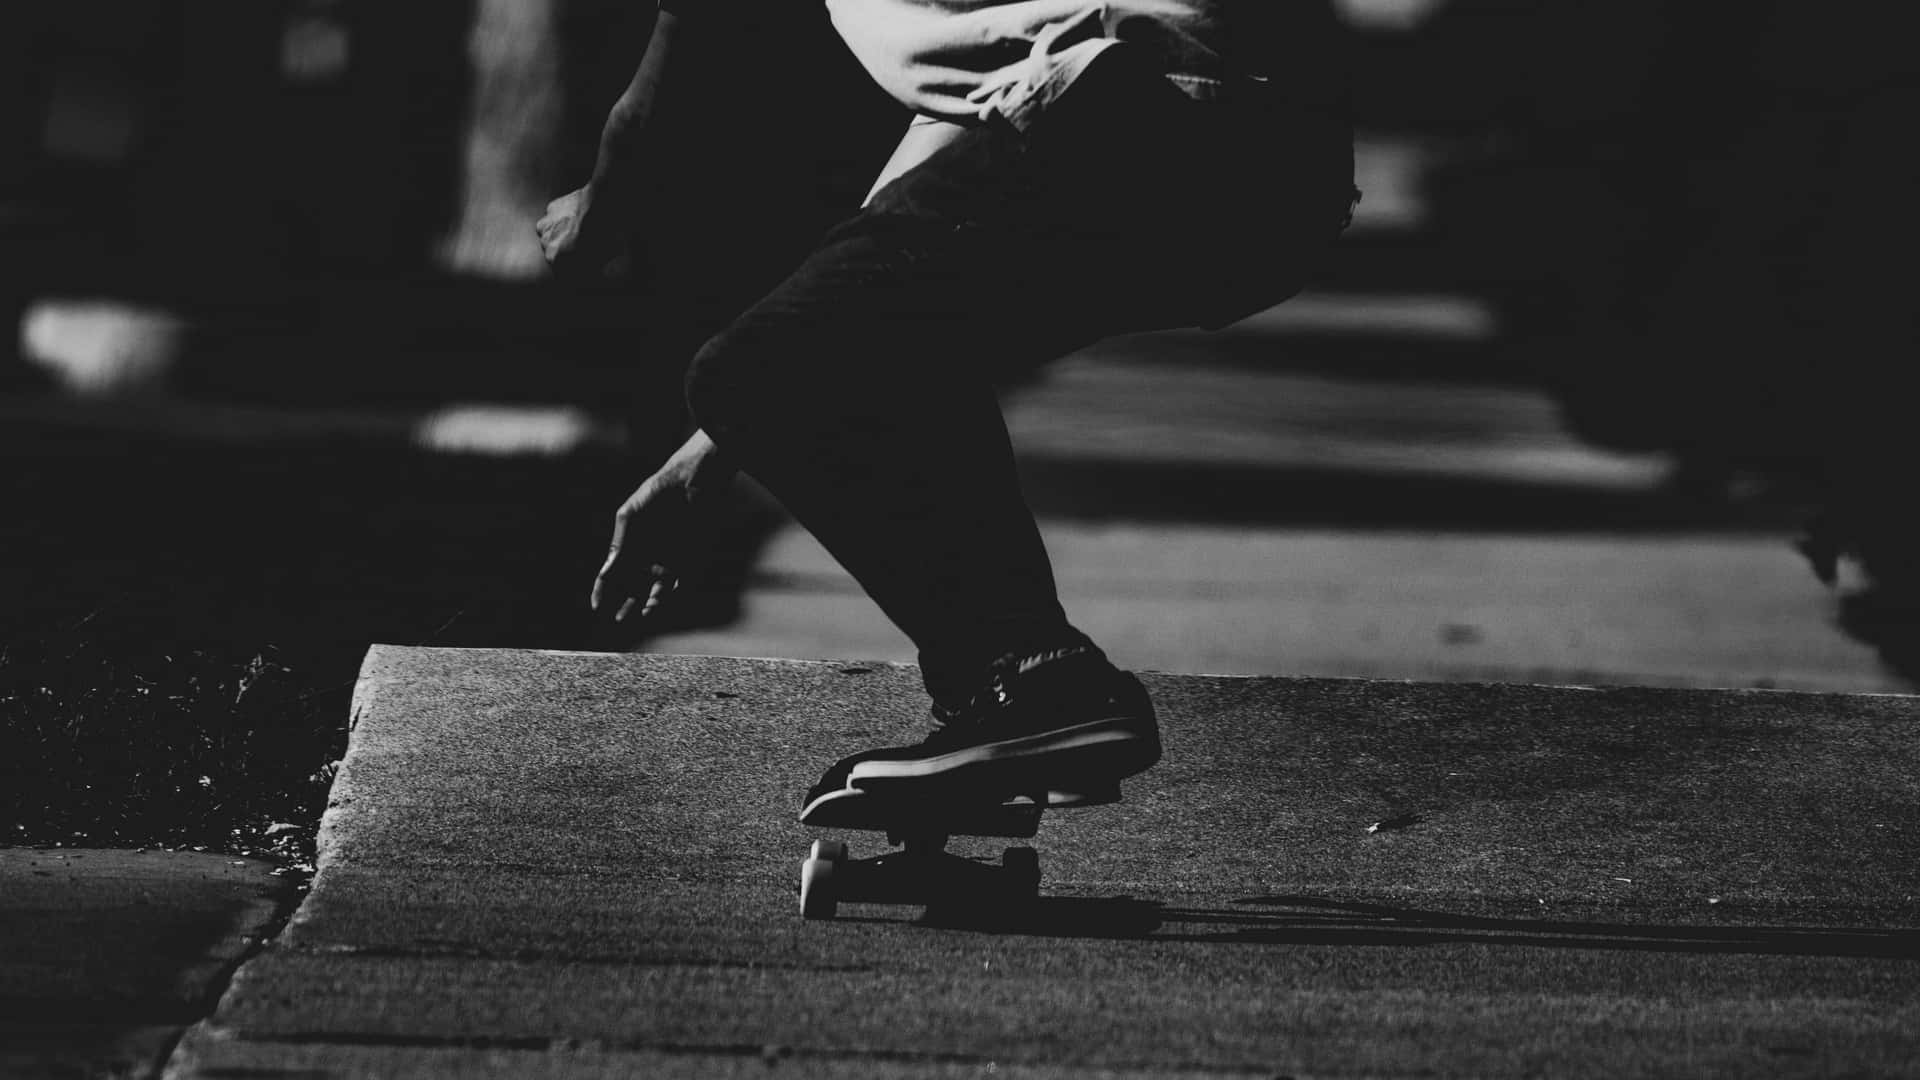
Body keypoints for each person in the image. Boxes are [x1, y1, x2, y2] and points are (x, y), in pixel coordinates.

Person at [537, 0, 1357, 814]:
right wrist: (711, 450)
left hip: (1142, 116)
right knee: (880, 337)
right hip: (1266, 182)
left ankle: (1036, 679)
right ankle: (1017, 712)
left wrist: (595, 212)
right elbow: (937, 171)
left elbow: (658, 97)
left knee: (758, 360)